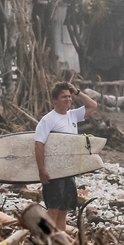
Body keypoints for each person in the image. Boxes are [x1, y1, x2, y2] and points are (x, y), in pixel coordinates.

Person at [35, 81, 98, 230]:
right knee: (53, 208)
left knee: (64, 209)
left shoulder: (73, 116)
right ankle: (47, 241)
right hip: (54, 171)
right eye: (64, 97)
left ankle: (61, 242)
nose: (68, 99)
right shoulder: (48, 120)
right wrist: (42, 170)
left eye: (69, 97)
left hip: (68, 170)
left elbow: (93, 106)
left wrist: (77, 92)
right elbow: (38, 144)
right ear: (55, 100)